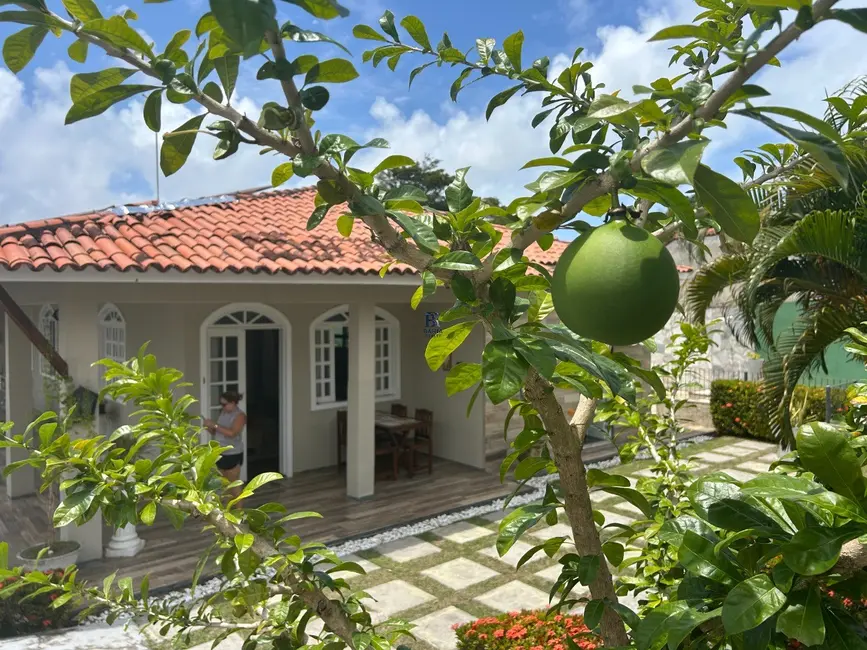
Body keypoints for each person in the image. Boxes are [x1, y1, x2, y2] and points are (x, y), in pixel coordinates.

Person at [203, 390, 247, 500]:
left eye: (224, 404)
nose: (222, 407)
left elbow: (232, 433)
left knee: (234, 486)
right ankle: (229, 511)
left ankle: (239, 513)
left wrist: (215, 425)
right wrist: (209, 427)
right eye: (221, 404)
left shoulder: (240, 416)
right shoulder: (223, 413)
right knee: (225, 486)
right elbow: (217, 432)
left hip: (232, 453)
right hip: (220, 452)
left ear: (233, 403)